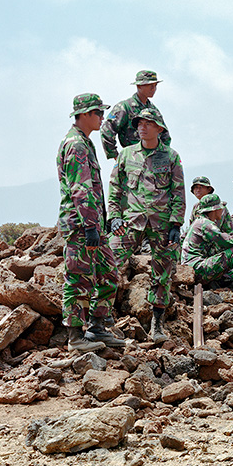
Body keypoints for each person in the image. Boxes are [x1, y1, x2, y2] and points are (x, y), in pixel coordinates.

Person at [107, 107, 185, 342]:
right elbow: (114, 187)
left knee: (162, 275)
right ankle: (100, 319)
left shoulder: (171, 156)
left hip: (162, 224)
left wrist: (176, 223)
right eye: (139, 123)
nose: (142, 127)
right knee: (108, 263)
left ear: (159, 128)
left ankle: (157, 325)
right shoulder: (126, 154)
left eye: (147, 123)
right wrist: (113, 216)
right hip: (129, 222)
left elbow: (178, 192)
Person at [57, 93, 124, 351]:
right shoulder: (75, 144)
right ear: (84, 114)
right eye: (97, 113)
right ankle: (75, 337)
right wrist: (89, 226)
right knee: (79, 278)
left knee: (108, 272)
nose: (101, 117)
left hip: (92, 225)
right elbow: (80, 189)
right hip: (81, 226)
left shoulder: (85, 142)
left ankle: (97, 328)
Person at [102, 70, 170, 160]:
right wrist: (116, 156)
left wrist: (162, 155)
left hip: (152, 160)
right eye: (150, 85)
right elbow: (107, 130)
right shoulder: (125, 107)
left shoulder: (153, 109)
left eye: (155, 85)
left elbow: (165, 134)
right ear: (139, 86)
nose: (153, 88)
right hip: (132, 159)